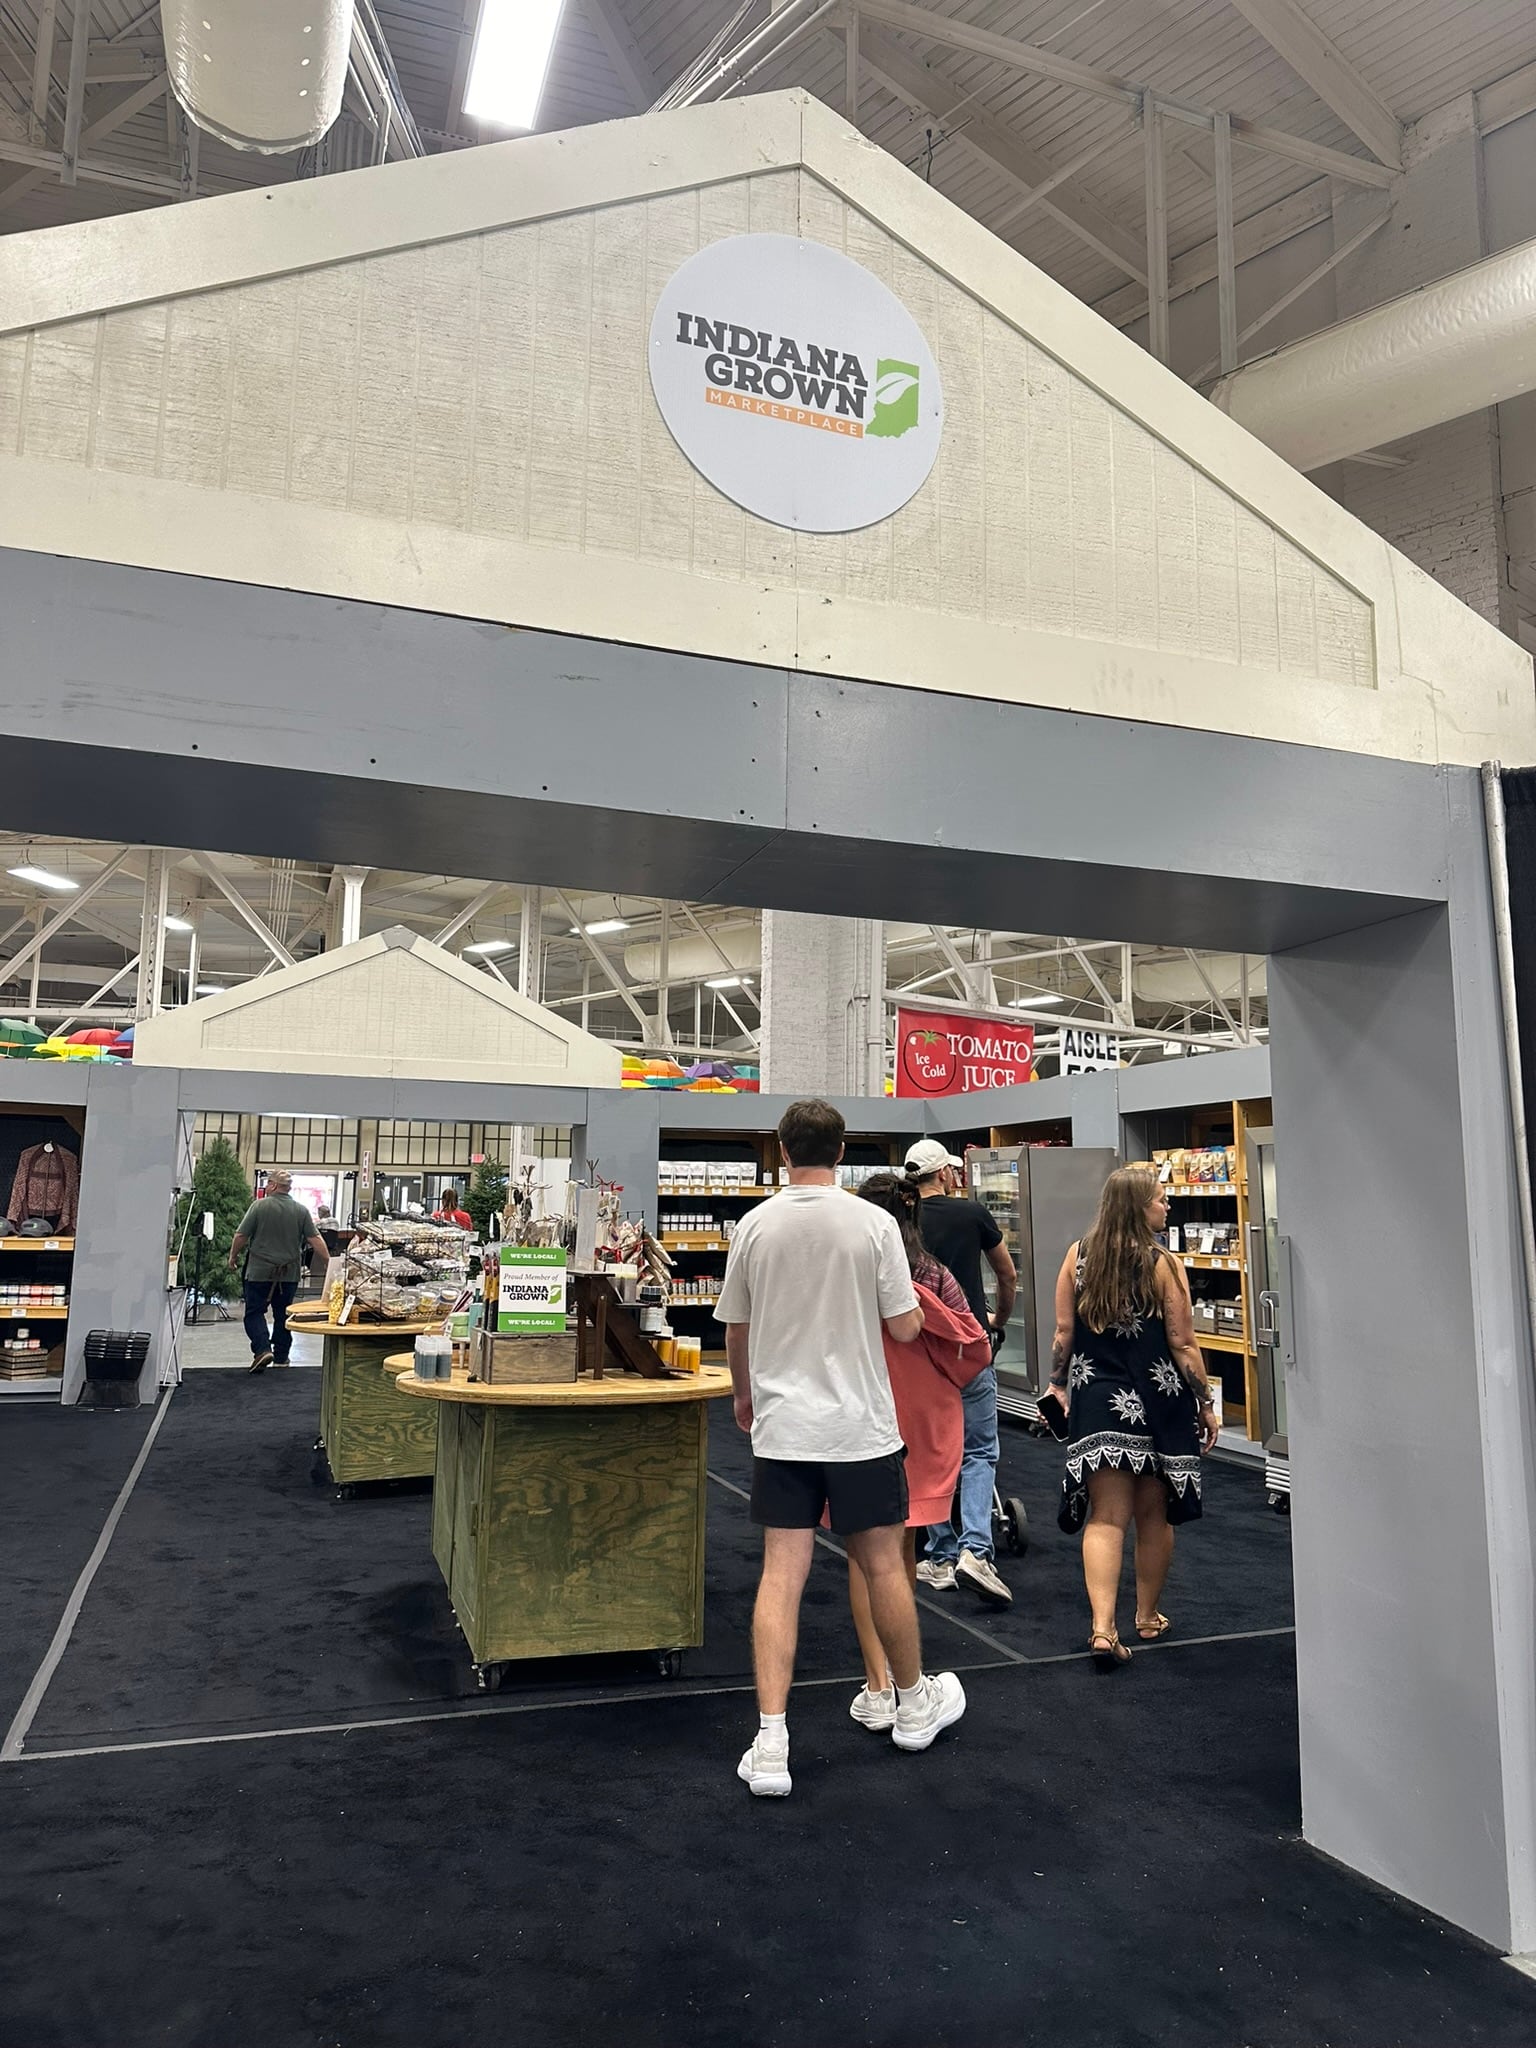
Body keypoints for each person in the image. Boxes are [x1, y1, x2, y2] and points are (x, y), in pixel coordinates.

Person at [716, 1099, 967, 1797]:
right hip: (860, 1426)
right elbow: (908, 1327)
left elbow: (736, 1329)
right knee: (885, 1565)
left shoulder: (755, 1226)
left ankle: (771, 1742)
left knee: (781, 1575)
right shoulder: (875, 1222)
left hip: (785, 1428)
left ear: (781, 1149)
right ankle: (913, 1706)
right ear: (844, 1148)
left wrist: (745, 1396)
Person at [1050, 1165, 1220, 1669]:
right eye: (1161, 1200)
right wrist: (1206, 1402)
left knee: (1105, 1517)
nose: (1167, 1207)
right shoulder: (1160, 1262)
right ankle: (1147, 1616)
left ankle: (1103, 1629)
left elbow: (1064, 1334)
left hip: (1096, 1397)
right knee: (1154, 1514)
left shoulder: (1077, 1257)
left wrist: (1058, 1385)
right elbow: (1183, 1343)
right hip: (1157, 1399)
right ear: (1138, 1207)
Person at [844, 1174, 993, 1731]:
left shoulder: (850, 1275)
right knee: (900, 1548)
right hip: (925, 1422)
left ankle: (878, 1686)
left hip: (863, 1417)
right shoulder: (934, 1275)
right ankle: (910, 1687)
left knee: (864, 1552)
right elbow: (973, 1346)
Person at [902, 1138, 1018, 1606]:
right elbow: (1006, 1274)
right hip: (968, 1345)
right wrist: (998, 1320)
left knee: (930, 1452)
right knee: (979, 1450)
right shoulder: (972, 1214)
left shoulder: (900, 1220)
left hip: (921, 1351)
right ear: (945, 1174)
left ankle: (942, 1554)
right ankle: (977, 1550)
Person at [229, 1169, 330, 1374]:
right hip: (289, 1275)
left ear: (274, 1185)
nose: (266, 1187)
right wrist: (329, 1262)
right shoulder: (301, 1210)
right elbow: (315, 1239)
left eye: (268, 1184)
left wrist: (233, 1257)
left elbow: (241, 1235)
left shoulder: (259, 1206)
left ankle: (262, 1349)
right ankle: (282, 1358)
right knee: (283, 1315)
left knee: (254, 1312)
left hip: (259, 1272)